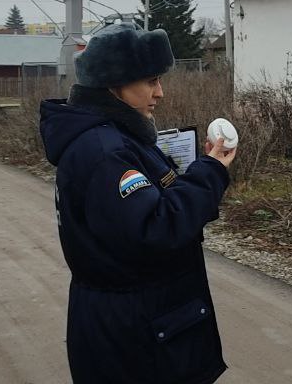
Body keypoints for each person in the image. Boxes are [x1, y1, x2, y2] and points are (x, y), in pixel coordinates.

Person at [39, 23, 237, 384]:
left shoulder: (113, 139)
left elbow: (145, 208)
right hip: (134, 334)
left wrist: (197, 172)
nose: (160, 92)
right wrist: (210, 172)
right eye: (150, 81)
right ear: (113, 85)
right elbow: (157, 228)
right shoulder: (106, 153)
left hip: (131, 320)